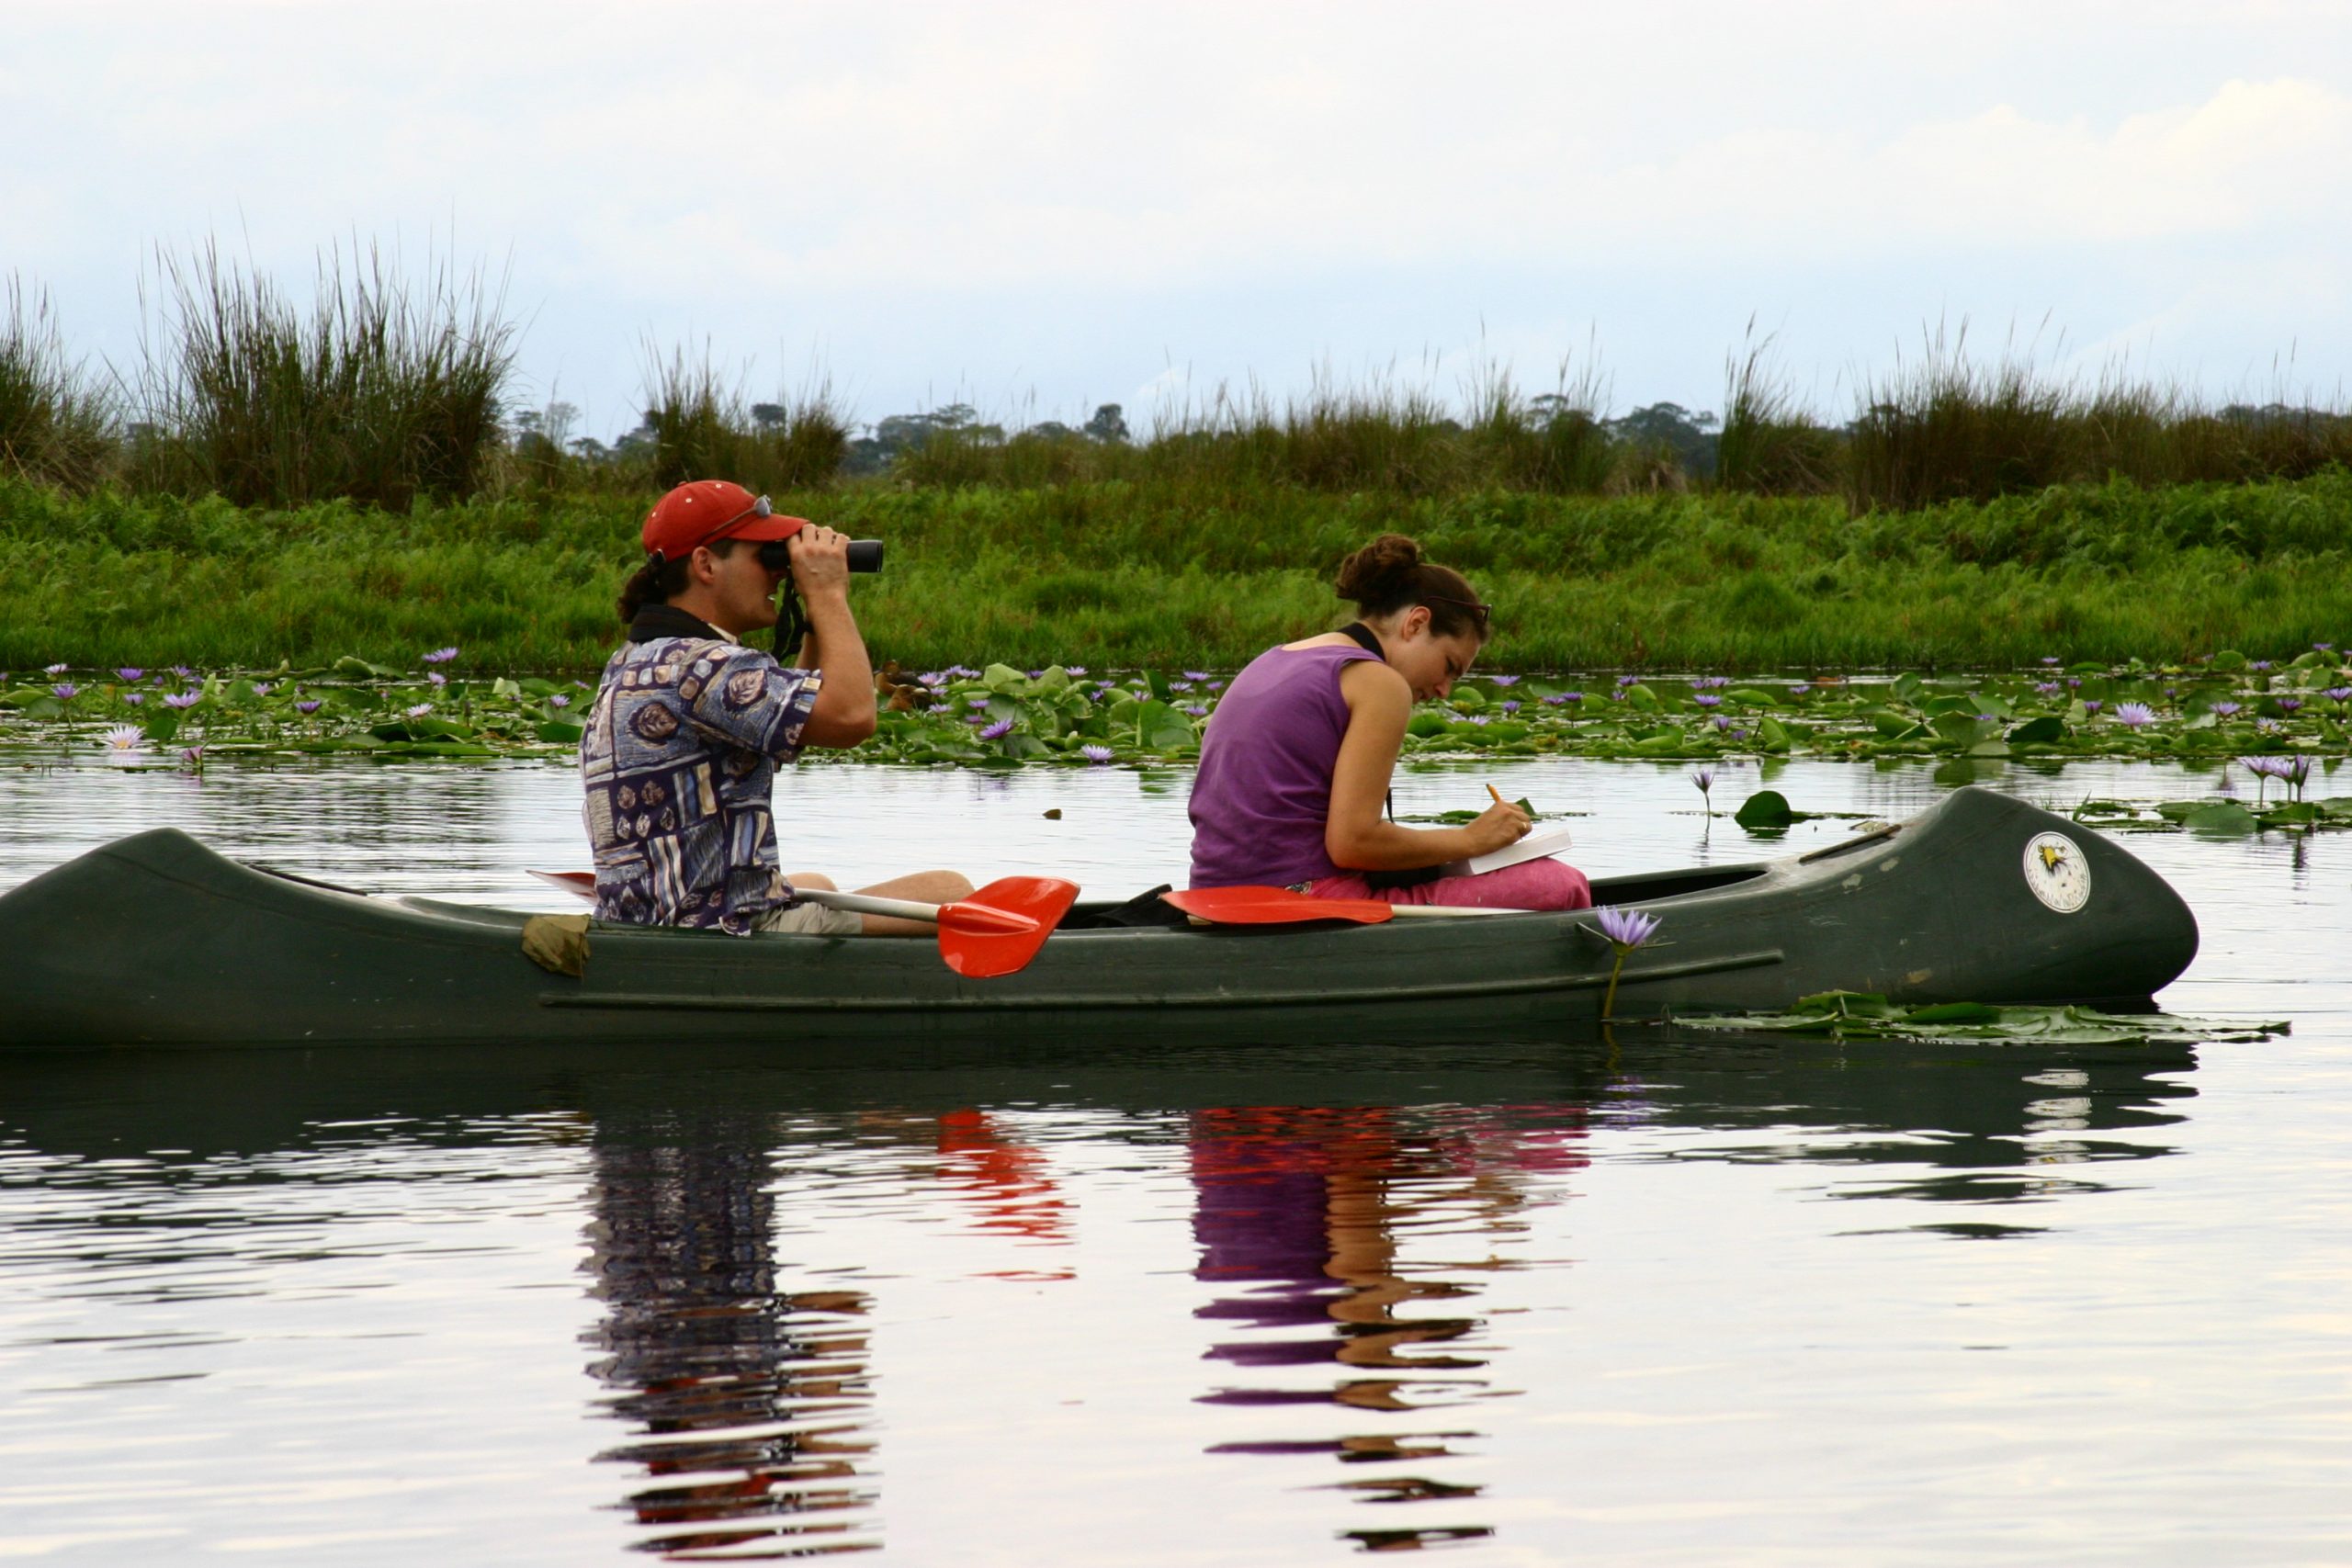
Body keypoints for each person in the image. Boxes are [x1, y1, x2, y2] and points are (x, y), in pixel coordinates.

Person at [582, 479, 972, 937]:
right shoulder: (706, 666)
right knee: (952, 891)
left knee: (815, 884)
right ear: (706, 564)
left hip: (647, 915)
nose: (779, 572)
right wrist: (829, 595)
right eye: (764, 556)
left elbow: (801, 723)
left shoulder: (642, 657)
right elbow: (851, 719)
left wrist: (813, 616)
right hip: (717, 929)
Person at [1186, 533, 1590, 910]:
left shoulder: (1276, 657)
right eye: (1449, 666)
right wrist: (1471, 839)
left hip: (1213, 893)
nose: (1444, 690)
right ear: (1416, 623)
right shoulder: (1379, 683)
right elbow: (1352, 843)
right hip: (1301, 900)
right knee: (1560, 883)